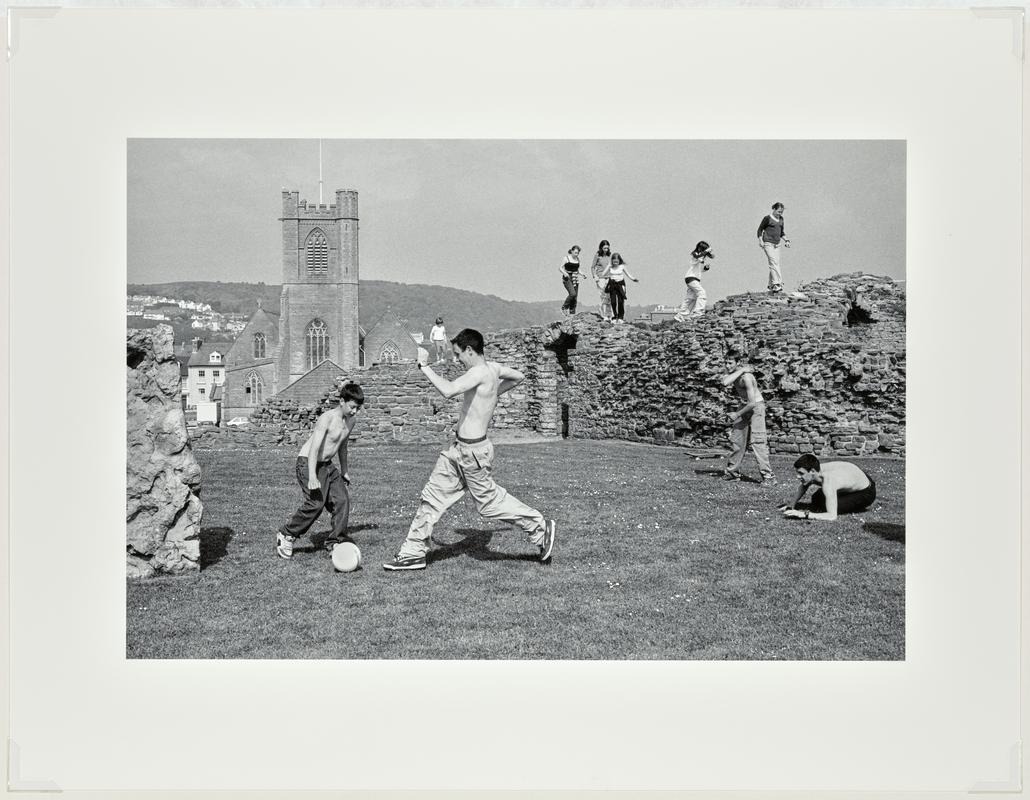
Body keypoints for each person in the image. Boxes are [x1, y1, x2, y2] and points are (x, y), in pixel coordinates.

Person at [383, 329, 556, 571]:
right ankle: (413, 552)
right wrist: (494, 392)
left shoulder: (478, 372)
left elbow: (448, 390)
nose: (457, 359)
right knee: (431, 499)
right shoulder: (492, 369)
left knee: (489, 504)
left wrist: (424, 366)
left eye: (458, 354)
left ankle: (540, 527)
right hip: (457, 451)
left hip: (473, 454)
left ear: (470, 351)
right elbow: (519, 376)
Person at [275, 382, 364, 560]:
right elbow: (314, 449)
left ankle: (335, 543)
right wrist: (313, 476)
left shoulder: (351, 421)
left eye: (358, 408)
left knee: (342, 500)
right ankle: (286, 534)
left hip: (327, 465)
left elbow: (343, 446)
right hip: (308, 462)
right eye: (352, 407)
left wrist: (344, 471)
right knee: (316, 503)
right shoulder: (327, 418)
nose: (355, 411)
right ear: (342, 401)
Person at [720, 363, 776, 484]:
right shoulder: (734, 375)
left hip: (756, 407)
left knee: (758, 442)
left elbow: (752, 403)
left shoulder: (747, 378)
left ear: (736, 363)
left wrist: (737, 414)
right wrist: (741, 370)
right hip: (744, 406)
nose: (728, 365)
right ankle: (732, 473)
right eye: (726, 362)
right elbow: (724, 382)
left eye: (731, 362)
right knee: (737, 440)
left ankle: (769, 477)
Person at [782, 454, 876, 521]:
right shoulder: (816, 470)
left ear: (812, 471)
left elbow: (831, 516)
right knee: (816, 498)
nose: (797, 476)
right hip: (856, 476)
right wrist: (791, 505)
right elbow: (804, 485)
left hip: (866, 491)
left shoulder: (829, 481)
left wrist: (803, 514)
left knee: (826, 507)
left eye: (801, 473)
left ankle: (857, 504)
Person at [675, 240, 714, 321]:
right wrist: (706, 251)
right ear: (700, 248)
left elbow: (699, 269)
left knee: (690, 297)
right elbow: (697, 257)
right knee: (701, 293)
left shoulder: (701, 258)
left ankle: (681, 315)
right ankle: (698, 312)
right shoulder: (695, 254)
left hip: (693, 278)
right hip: (691, 278)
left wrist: (706, 268)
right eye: (703, 250)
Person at [757, 202, 791, 293]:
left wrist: (787, 240)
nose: (780, 214)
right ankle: (777, 283)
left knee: (776, 263)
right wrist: (760, 241)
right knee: (773, 262)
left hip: (777, 244)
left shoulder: (781, 219)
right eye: (779, 211)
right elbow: (760, 230)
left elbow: (781, 232)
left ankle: (771, 285)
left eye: (782, 212)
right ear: (774, 209)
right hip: (768, 243)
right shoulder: (767, 218)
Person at [605, 252, 639, 324]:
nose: (615, 263)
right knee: (613, 302)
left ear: (619, 261)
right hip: (612, 284)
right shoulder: (610, 266)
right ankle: (614, 317)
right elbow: (603, 274)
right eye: (614, 262)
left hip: (621, 284)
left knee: (621, 301)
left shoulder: (622, 266)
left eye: (617, 262)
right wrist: (608, 266)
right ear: (612, 261)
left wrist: (633, 279)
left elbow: (628, 274)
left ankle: (620, 317)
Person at [590, 240, 614, 321]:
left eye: (607, 248)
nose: (606, 249)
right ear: (601, 247)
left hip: (609, 278)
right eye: (604, 248)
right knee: (603, 296)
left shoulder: (610, 255)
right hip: (600, 278)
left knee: (610, 297)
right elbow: (592, 267)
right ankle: (604, 315)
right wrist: (594, 276)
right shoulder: (597, 255)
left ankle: (609, 314)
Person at [560, 245, 582, 316]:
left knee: (575, 297)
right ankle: (564, 307)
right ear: (572, 251)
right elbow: (560, 268)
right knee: (572, 293)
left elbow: (577, 269)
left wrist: (582, 274)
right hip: (567, 277)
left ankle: (572, 313)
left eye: (578, 253)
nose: (576, 254)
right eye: (575, 252)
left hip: (575, 277)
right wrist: (564, 273)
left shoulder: (577, 259)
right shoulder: (566, 258)